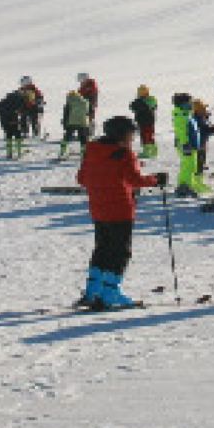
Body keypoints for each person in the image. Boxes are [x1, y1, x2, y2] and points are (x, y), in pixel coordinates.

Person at [76, 115, 166, 310]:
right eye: (130, 134)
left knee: (102, 249)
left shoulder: (92, 150)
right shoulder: (124, 154)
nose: (132, 138)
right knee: (120, 252)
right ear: (122, 135)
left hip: (98, 208)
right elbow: (135, 180)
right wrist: (155, 179)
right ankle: (109, 293)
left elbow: (81, 179)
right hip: (120, 210)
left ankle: (92, 290)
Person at [171, 93, 206, 196]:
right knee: (188, 166)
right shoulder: (181, 116)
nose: (191, 105)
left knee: (192, 166)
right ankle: (184, 185)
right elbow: (181, 132)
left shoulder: (187, 114)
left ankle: (190, 184)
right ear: (182, 104)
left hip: (192, 145)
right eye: (188, 103)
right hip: (186, 145)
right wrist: (185, 144)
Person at [57, 89, 92, 161]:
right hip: (83, 123)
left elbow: (66, 114)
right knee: (83, 139)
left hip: (71, 122)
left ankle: (62, 152)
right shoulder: (85, 101)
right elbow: (88, 113)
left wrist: (64, 123)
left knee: (67, 137)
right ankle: (83, 154)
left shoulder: (69, 102)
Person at [0, 88, 28, 159]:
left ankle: (9, 153)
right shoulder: (20, 99)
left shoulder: (5, 100)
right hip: (13, 118)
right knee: (17, 134)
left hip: (5, 120)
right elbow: (23, 110)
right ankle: (19, 152)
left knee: (9, 135)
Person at [129, 86, 158, 158]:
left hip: (143, 122)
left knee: (145, 137)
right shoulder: (151, 100)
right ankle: (153, 151)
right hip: (150, 121)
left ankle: (147, 152)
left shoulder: (140, 102)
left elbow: (132, 106)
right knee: (150, 136)